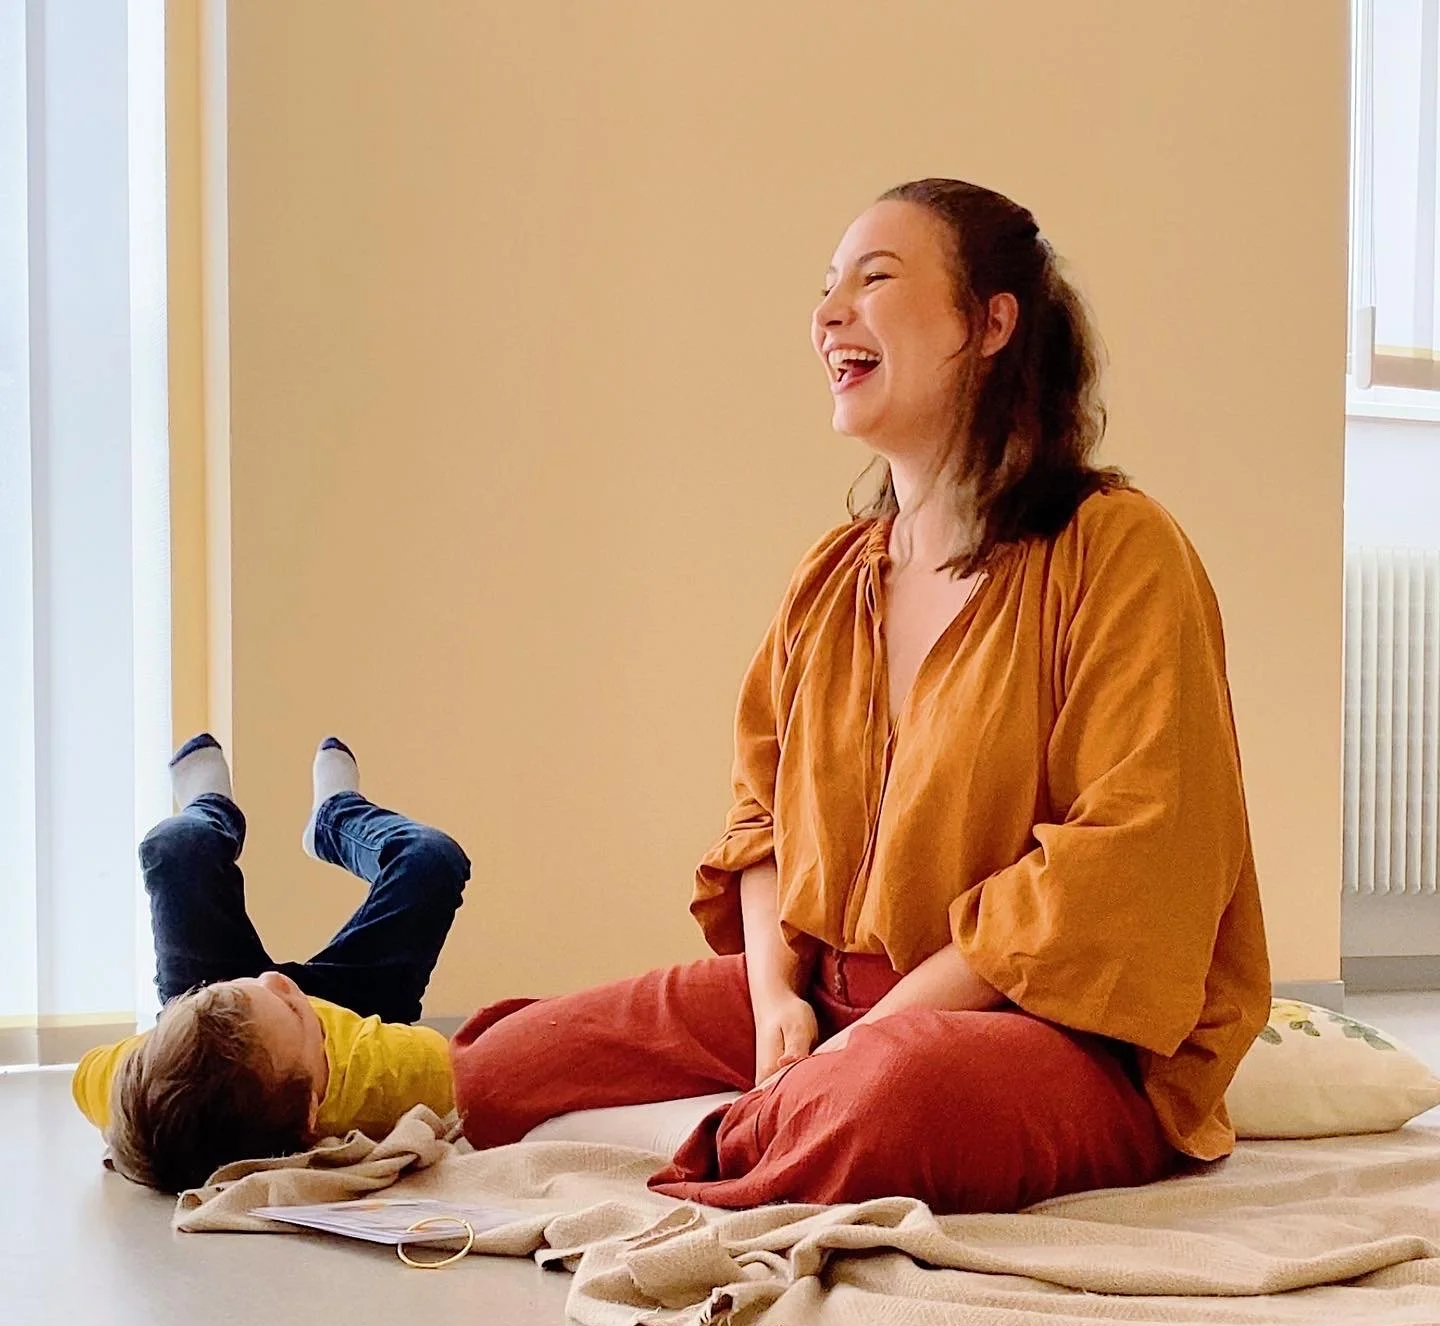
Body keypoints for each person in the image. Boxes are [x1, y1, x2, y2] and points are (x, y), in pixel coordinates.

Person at [449, 176, 1273, 1214]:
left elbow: (1130, 852)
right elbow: (759, 822)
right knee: (503, 1067)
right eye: (826, 287)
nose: (828, 313)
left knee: (887, 1098)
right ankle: (775, 1111)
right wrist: (776, 1003)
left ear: (990, 324)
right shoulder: (832, 578)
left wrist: (882, 1031)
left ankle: (725, 1161)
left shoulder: (1119, 552)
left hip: (1053, 1030)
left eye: (873, 279)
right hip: (828, 993)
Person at [73, 733, 469, 1192]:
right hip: (362, 1011)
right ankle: (337, 815)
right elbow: (473, 1070)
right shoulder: (385, 1073)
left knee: (177, 844)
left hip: (219, 997)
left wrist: (183, 1029)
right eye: (289, 1002)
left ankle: (210, 808)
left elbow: (85, 1077)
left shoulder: (131, 1077)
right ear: (311, 1112)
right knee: (432, 858)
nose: (277, 979)